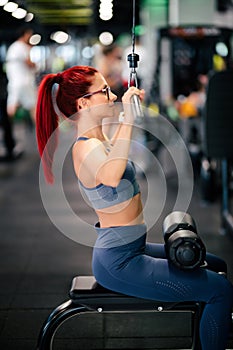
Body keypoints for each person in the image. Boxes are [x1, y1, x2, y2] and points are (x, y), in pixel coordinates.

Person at [36, 65, 233, 350]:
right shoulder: (84, 148)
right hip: (119, 262)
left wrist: (125, 120)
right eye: (104, 91)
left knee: (216, 265)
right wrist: (128, 118)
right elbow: (112, 175)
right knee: (219, 290)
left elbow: (117, 153)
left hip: (132, 248)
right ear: (83, 103)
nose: (113, 95)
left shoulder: (98, 139)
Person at [5, 26, 37, 124]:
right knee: (33, 107)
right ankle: (41, 132)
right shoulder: (22, 47)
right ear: (25, 34)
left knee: (12, 106)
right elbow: (29, 63)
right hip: (24, 81)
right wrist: (36, 65)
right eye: (29, 35)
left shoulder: (13, 47)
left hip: (13, 82)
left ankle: (7, 130)